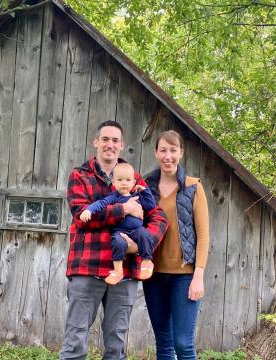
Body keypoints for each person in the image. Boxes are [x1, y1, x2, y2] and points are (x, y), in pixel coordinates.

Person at [60, 121, 168, 360]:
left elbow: (159, 217)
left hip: (125, 271)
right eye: (105, 139)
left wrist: (142, 242)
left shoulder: (133, 177)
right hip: (88, 267)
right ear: (96, 142)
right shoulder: (80, 176)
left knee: (116, 342)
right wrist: (124, 210)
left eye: (115, 140)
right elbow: (82, 217)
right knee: (75, 339)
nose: (110, 145)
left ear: (122, 145)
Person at [143, 130, 210, 360]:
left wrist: (198, 276)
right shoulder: (145, 188)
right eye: (163, 150)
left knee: (183, 344)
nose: (167, 156)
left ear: (181, 153)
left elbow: (203, 235)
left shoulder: (193, 187)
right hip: (154, 276)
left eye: (173, 150)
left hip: (184, 277)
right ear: (156, 153)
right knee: (163, 344)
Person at [79, 162, 156, 285]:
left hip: (137, 230)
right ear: (113, 182)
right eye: (120, 180)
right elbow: (101, 203)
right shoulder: (114, 197)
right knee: (117, 242)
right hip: (120, 231)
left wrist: (145, 191)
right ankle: (118, 270)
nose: (124, 183)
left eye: (128, 180)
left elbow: (151, 205)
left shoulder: (137, 196)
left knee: (145, 234)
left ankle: (147, 261)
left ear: (134, 182)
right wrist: (88, 210)